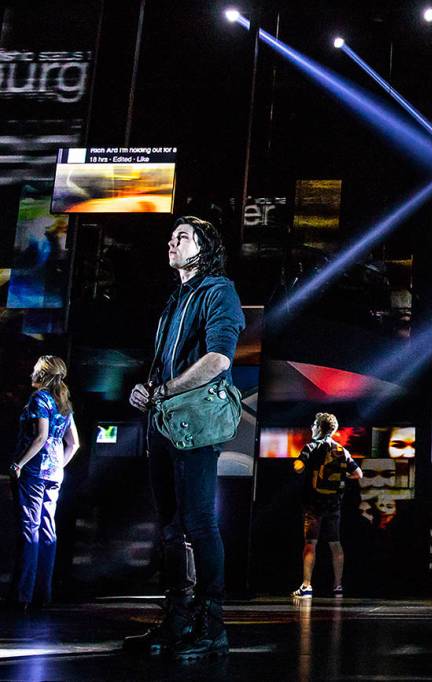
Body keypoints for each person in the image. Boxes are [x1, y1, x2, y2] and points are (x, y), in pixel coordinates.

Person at [124, 216, 244, 659]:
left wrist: (165, 390)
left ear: (204, 247)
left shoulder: (219, 291)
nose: (171, 243)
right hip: (163, 422)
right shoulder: (175, 297)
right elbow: (165, 364)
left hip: (194, 425)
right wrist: (147, 386)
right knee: (171, 527)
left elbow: (218, 360)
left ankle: (212, 625)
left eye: (183, 237)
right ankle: (176, 620)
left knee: (198, 522)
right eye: (171, 237)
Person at [9, 356, 79, 611]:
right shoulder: (64, 402)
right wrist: (59, 466)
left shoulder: (40, 399)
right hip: (54, 474)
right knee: (48, 531)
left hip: (35, 472)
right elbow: (74, 444)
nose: (31, 373)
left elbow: (40, 437)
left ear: (42, 374)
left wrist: (19, 464)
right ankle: (42, 594)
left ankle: (21, 595)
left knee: (29, 530)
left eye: (35, 370)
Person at [292, 412, 362, 598]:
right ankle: (338, 586)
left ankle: (306, 586)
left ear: (319, 427)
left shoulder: (310, 447)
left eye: (314, 424)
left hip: (313, 504)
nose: (311, 427)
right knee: (335, 544)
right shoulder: (341, 450)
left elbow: (298, 467)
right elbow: (358, 474)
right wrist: (342, 477)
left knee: (310, 544)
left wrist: (300, 465)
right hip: (334, 504)